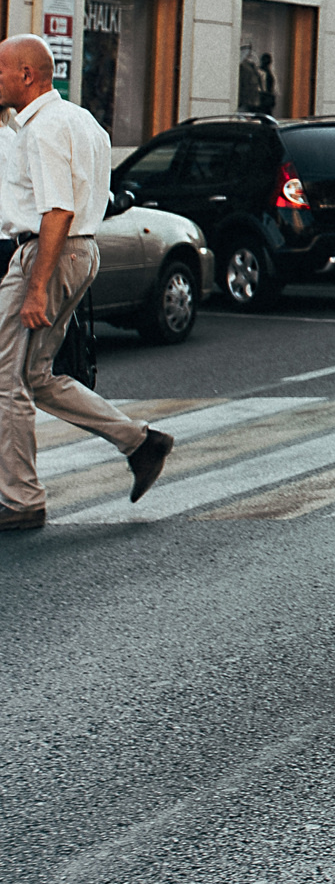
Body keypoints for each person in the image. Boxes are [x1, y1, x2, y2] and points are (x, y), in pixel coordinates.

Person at [0, 34, 170, 528]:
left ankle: (20, 499)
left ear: (26, 75)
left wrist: (36, 286)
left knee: (6, 379)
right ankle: (140, 442)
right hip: (83, 251)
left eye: (0, 70)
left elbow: (58, 210)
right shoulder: (81, 120)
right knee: (37, 376)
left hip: (45, 252)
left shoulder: (43, 130)